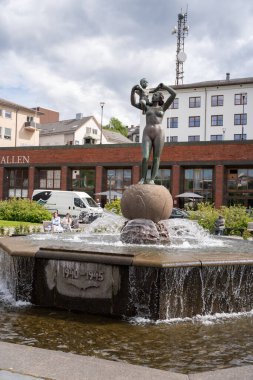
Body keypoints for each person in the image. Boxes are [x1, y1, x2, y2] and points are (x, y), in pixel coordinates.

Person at [131, 82, 176, 184]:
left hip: (159, 133)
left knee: (156, 158)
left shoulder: (163, 107)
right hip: (147, 132)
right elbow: (133, 103)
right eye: (153, 95)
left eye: (155, 95)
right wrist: (132, 91)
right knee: (145, 157)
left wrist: (164, 86)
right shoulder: (147, 107)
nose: (153, 96)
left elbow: (174, 94)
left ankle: (152, 179)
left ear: (160, 98)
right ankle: (143, 178)